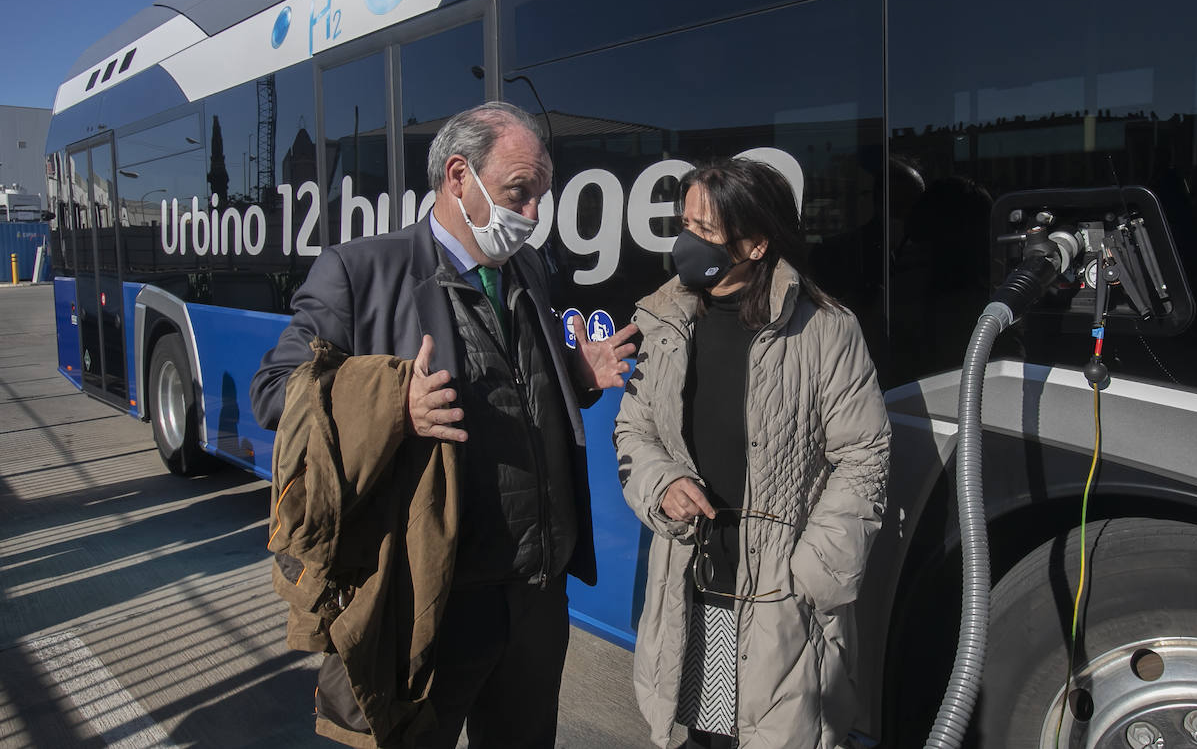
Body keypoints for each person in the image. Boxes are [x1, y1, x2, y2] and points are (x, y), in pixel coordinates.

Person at [250, 101, 637, 749]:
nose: (534, 215)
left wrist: (577, 376)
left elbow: (515, 389)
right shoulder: (362, 272)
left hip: (536, 599)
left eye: (541, 196)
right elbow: (274, 392)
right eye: (521, 192)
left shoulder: (529, 269)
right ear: (459, 176)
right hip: (435, 597)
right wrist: (392, 402)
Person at [614, 158, 891, 749]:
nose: (687, 242)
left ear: (757, 243)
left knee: (780, 736)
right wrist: (661, 484)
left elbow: (864, 454)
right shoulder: (666, 319)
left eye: (706, 231)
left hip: (782, 595)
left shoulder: (826, 329)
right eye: (685, 223)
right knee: (709, 735)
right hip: (698, 580)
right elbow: (634, 430)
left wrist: (811, 572)